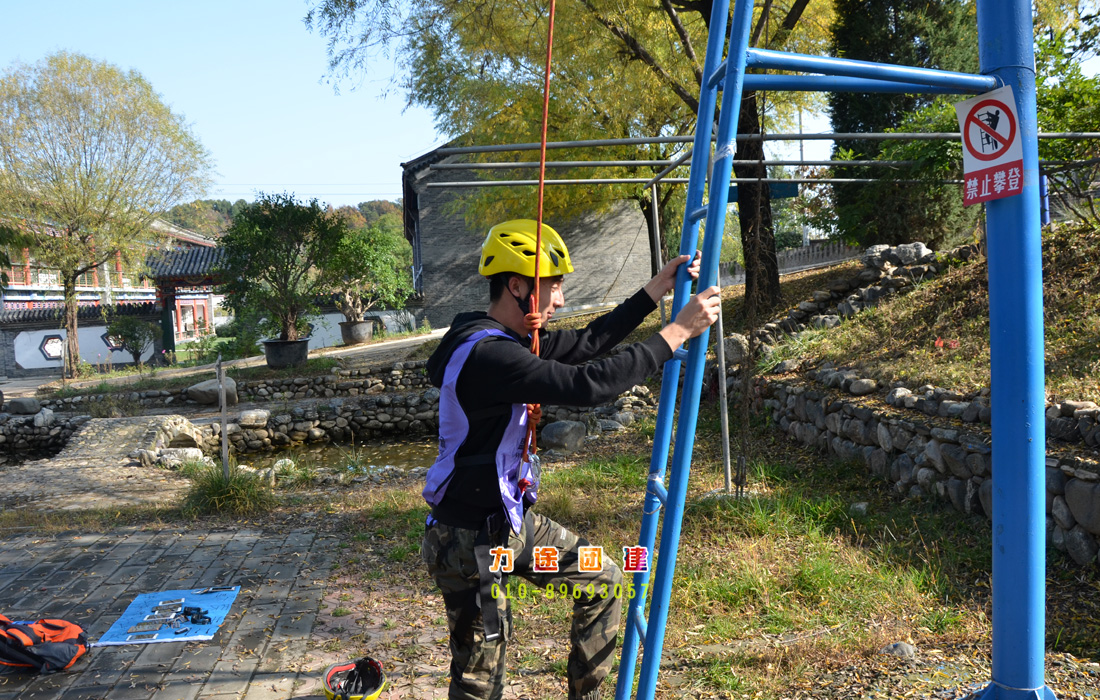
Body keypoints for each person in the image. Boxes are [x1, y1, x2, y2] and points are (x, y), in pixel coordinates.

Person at [421, 219, 720, 700]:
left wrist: (654, 289)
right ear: (516, 286)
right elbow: (589, 385)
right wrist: (677, 332)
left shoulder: (510, 338)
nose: (559, 300)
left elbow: (587, 344)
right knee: (481, 679)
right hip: (468, 543)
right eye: (553, 287)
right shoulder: (490, 356)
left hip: (511, 525)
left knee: (603, 581)